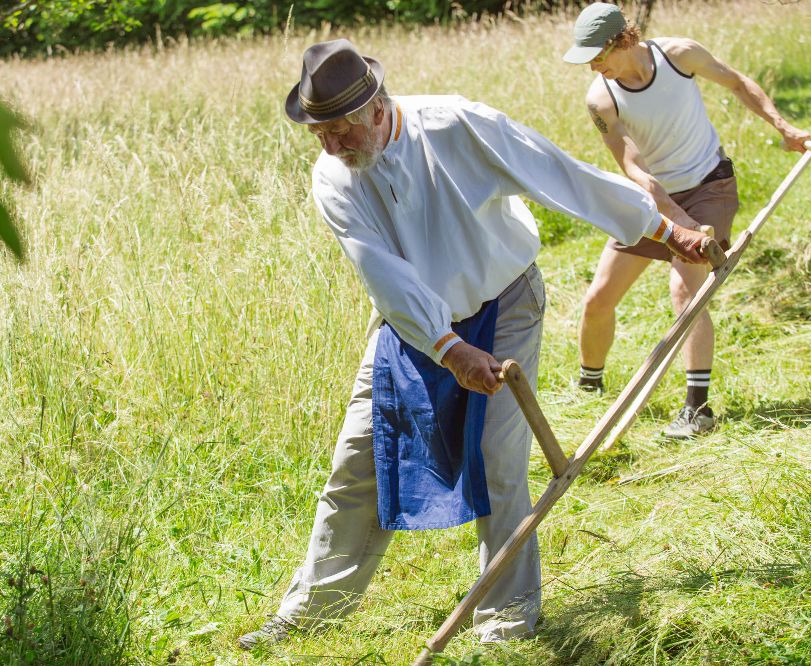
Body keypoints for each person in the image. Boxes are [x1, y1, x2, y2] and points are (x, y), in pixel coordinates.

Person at [238, 38, 713, 650]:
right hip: (413, 325)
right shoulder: (333, 176)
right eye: (319, 133)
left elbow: (559, 174)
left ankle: (506, 619)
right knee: (360, 460)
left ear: (377, 108)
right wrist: (448, 347)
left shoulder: (457, 124)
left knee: (497, 459)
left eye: (341, 130)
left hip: (505, 301)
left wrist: (662, 228)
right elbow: (383, 274)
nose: (331, 145)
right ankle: (311, 613)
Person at [563, 3, 811, 438]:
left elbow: (737, 82)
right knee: (599, 297)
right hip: (652, 198)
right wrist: (677, 222)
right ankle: (589, 388)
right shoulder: (600, 99)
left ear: (622, 40)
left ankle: (698, 410)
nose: (592, 66)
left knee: (685, 290)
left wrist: (783, 127)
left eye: (597, 55)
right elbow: (636, 171)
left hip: (708, 186)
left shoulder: (679, 55)